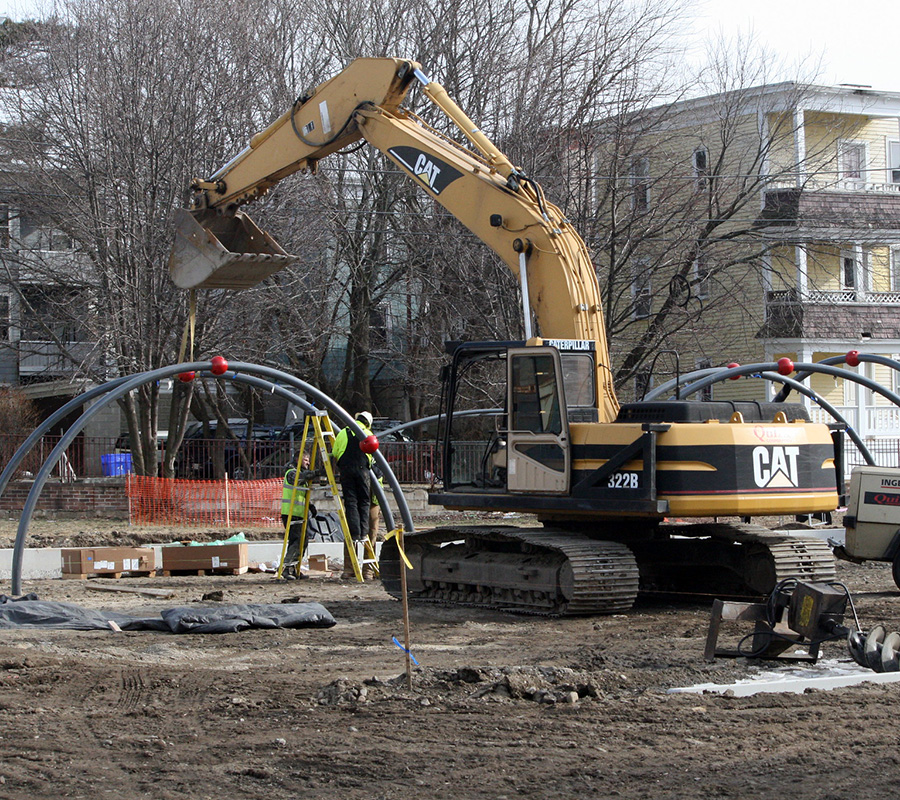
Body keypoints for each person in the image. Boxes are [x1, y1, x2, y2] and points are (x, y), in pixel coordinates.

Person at [332, 410, 374, 579]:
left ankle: (355, 532)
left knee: (350, 501)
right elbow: (372, 456)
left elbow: (335, 452)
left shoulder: (343, 432)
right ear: (368, 423)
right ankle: (363, 532)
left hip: (346, 470)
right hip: (362, 470)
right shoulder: (368, 434)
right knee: (364, 501)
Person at [280, 455, 316, 581]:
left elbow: (301, 492)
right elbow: (299, 479)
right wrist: (314, 474)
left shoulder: (300, 474)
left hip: (299, 513)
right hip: (291, 513)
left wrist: (310, 506)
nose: (308, 462)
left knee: (303, 541)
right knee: (296, 540)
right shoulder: (291, 473)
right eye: (305, 460)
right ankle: (287, 569)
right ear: (298, 460)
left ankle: (295, 569)